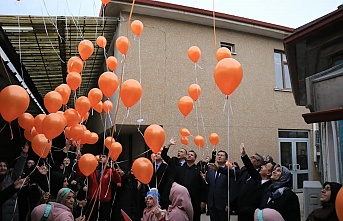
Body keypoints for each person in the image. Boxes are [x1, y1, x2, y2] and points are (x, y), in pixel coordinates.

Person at [76, 153, 121, 221]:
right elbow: (80, 173)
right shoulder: (92, 169)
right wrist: (79, 162)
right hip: (92, 199)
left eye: (103, 156)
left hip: (104, 201)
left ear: (107, 160)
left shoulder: (110, 171)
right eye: (100, 156)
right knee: (90, 218)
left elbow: (117, 180)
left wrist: (114, 170)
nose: (100, 157)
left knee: (102, 219)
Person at [238, 143, 275, 221]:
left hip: (258, 215)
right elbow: (250, 167)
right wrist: (244, 155)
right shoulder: (258, 178)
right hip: (246, 212)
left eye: (264, 167)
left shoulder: (270, 186)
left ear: (268, 173)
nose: (261, 166)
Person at [173, 150, 206, 221]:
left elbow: (203, 187)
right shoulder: (179, 169)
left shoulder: (199, 170)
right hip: (181, 199)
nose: (189, 155)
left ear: (195, 158)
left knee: (195, 217)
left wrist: (203, 200)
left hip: (195, 199)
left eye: (192, 155)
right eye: (188, 154)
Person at [0, 142, 28, 221]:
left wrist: (24, 154)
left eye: (4, 166)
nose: (2, 168)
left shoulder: (11, 177)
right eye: (0, 166)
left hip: (11, 214)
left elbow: (19, 167)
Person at [205, 150, 229, 221]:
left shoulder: (228, 171)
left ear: (226, 159)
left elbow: (231, 188)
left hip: (223, 204)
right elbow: (208, 186)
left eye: (222, 155)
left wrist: (229, 203)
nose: (219, 156)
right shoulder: (211, 171)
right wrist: (204, 179)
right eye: (218, 155)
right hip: (212, 204)